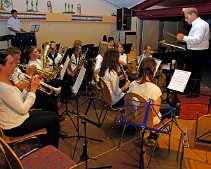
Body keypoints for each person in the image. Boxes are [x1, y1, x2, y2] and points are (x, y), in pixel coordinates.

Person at [0, 51, 60, 148]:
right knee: (54, 119)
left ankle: (46, 146)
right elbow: (23, 109)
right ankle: (50, 151)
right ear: (1, 66)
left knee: (52, 114)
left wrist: (28, 88)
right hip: (15, 126)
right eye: (11, 63)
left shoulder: (8, 80)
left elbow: (20, 99)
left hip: (20, 117)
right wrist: (32, 90)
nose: (15, 65)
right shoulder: (2, 87)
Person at [6, 46, 67, 138]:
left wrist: (34, 82)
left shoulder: (17, 69)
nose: (18, 62)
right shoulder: (9, 73)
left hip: (27, 93)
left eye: (19, 59)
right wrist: (30, 76)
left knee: (50, 101)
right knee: (50, 102)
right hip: (23, 99)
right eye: (15, 60)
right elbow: (20, 87)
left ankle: (53, 126)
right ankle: (53, 128)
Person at [128, 57, 162, 146]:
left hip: (133, 116)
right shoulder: (155, 89)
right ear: (153, 70)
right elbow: (155, 113)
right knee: (167, 112)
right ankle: (152, 137)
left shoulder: (132, 84)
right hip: (147, 121)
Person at [176, 7, 210, 97]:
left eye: (187, 17)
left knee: (195, 72)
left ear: (193, 15)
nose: (185, 20)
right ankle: (188, 89)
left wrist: (184, 38)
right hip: (195, 51)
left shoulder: (200, 24)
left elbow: (197, 40)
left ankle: (195, 92)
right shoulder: (197, 24)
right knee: (190, 71)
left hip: (198, 52)